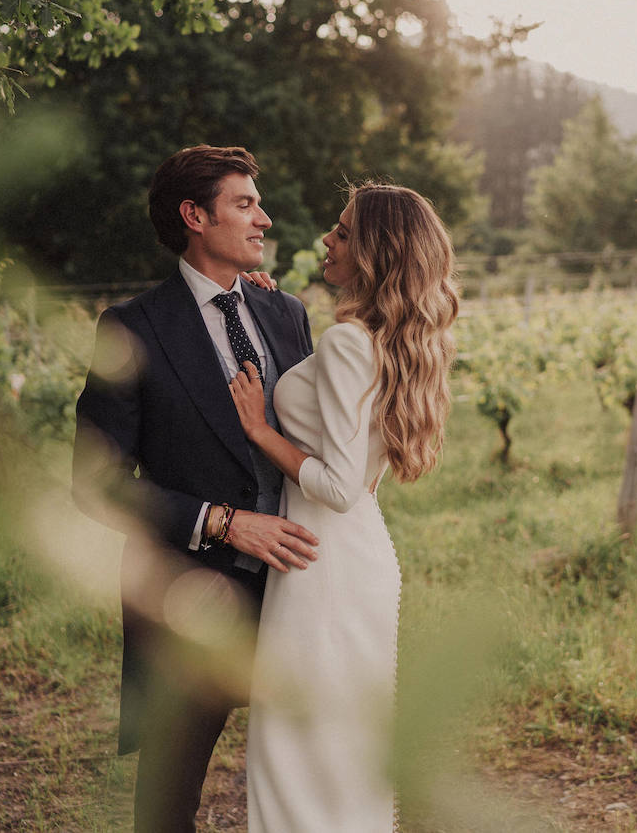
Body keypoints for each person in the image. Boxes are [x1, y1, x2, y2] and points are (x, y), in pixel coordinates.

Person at [72, 145, 321, 832]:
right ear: (194, 216)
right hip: (194, 592)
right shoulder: (132, 328)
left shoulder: (285, 314)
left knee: (308, 771)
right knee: (168, 797)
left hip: (304, 584)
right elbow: (94, 484)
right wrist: (223, 522)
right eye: (244, 204)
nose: (263, 219)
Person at [226, 183, 459, 831]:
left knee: (296, 749)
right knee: (337, 746)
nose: (327, 240)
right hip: (351, 554)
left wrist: (259, 428)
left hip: (321, 561)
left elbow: (336, 484)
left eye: (344, 232)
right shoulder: (383, 338)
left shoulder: (350, 343)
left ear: (374, 252)